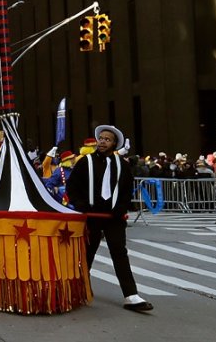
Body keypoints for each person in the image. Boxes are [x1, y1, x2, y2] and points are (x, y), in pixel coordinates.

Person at [67, 125, 153, 312]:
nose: (103, 141)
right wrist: (80, 204)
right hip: (91, 216)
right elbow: (72, 186)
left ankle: (131, 295)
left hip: (113, 216)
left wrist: (121, 207)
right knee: (87, 253)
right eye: (101, 138)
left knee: (119, 253)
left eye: (107, 139)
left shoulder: (121, 164)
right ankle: (78, 289)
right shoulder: (85, 162)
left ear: (114, 144)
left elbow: (126, 189)